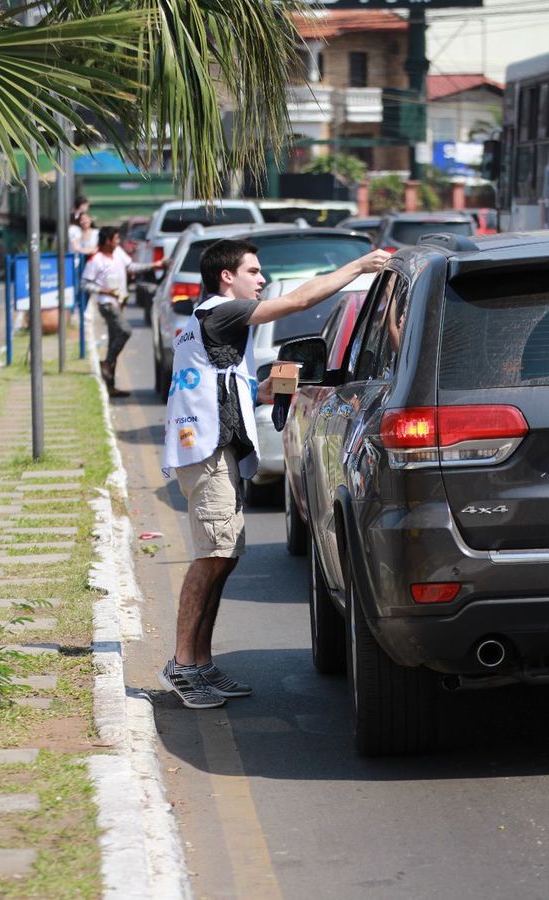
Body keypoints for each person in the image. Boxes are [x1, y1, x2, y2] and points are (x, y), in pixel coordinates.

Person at [159, 239, 390, 708]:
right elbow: (299, 299)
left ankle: (201, 664)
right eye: (254, 271)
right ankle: (183, 666)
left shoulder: (215, 326)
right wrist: (360, 266)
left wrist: (278, 384)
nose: (261, 280)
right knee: (212, 557)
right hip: (205, 453)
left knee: (223, 557)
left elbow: (240, 388)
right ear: (228, 277)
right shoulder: (222, 311)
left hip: (213, 449)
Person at [82, 225, 167, 398]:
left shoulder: (118, 253)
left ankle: (110, 384)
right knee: (124, 331)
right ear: (107, 241)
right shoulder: (96, 260)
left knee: (115, 339)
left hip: (120, 302)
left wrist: (154, 265)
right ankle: (106, 363)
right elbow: (85, 283)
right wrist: (106, 291)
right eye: (116, 239)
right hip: (107, 304)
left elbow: (132, 267)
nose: (118, 242)